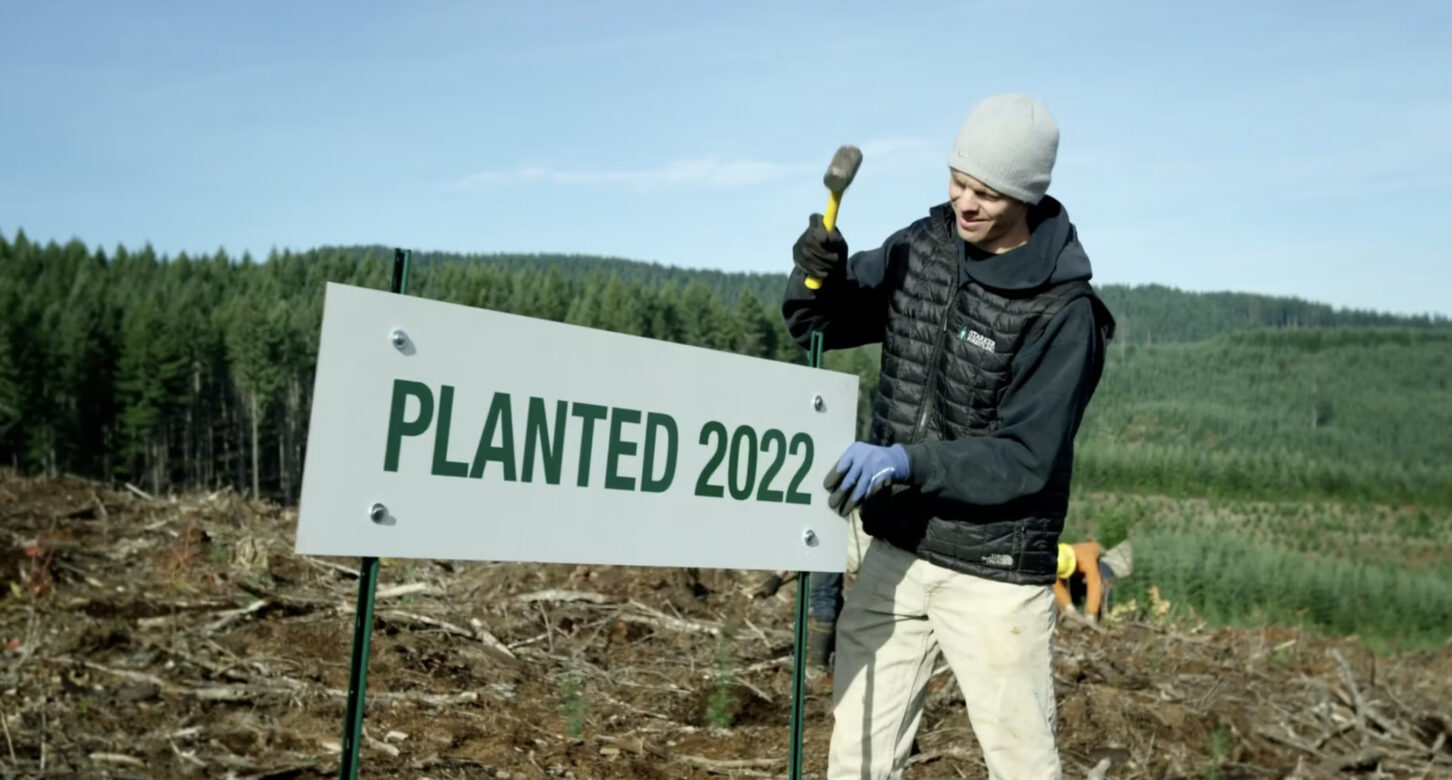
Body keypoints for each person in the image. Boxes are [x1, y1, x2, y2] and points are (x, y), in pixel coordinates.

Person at [781, 94, 1116, 780]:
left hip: (993, 575)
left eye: (987, 193)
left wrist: (907, 460)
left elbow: (1025, 460)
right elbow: (817, 321)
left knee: (1022, 765)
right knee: (855, 761)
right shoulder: (924, 247)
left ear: (1026, 194)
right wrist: (818, 268)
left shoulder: (1064, 310)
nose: (965, 202)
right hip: (895, 553)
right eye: (958, 181)